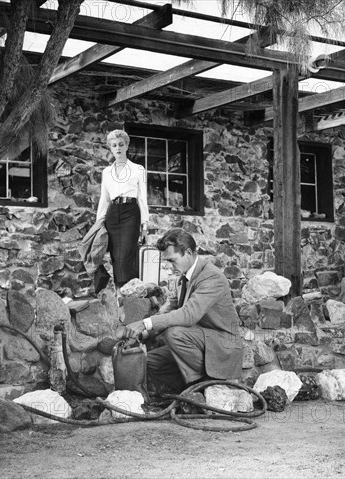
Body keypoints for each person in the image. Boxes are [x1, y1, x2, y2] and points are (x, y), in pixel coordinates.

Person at [125, 228, 243, 394]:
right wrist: (142, 334)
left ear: (188, 253)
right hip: (198, 342)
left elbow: (188, 315)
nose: (170, 266)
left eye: (172, 261)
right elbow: (166, 312)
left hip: (221, 345)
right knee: (145, 361)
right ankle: (182, 390)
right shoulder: (182, 279)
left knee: (174, 333)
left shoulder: (211, 276)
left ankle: (205, 385)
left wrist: (144, 323)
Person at [96, 130, 149, 287]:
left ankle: (133, 292)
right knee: (116, 256)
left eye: (121, 144)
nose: (118, 148)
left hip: (130, 213)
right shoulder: (106, 172)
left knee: (126, 253)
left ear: (127, 146)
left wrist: (145, 225)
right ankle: (121, 294)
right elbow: (104, 199)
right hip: (112, 214)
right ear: (110, 149)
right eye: (114, 145)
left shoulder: (138, 169)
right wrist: (99, 221)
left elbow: (142, 197)